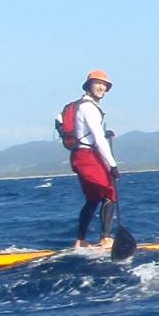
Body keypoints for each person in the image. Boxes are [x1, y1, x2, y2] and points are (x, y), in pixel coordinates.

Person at [67, 69, 121, 248]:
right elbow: (97, 138)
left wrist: (105, 133)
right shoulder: (89, 107)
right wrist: (112, 165)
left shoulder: (82, 106)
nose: (102, 87)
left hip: (80, 156)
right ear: (89, 86)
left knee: (94, 198)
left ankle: (80, 240)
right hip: (88, 156)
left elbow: (88, 132)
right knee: (109, 193)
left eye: (104, 85)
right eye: (98, 83)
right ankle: (106, 238)